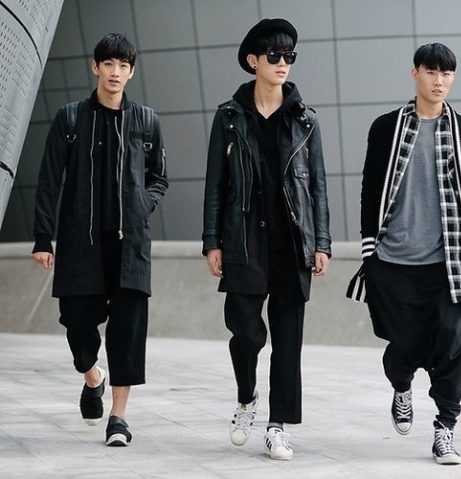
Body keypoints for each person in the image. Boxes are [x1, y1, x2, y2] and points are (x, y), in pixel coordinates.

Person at [202, 18, 331, 461]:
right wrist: (212, 241)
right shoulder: (229, 117)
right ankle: (246, 397)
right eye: (273, 55)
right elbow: (215, 184)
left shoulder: (306, 119)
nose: (282, 63)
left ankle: (278, 425)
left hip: (292, 243)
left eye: (289, 55)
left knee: (288, 340)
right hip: (243, 241)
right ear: (253, 60)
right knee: (244, 330)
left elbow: (317, 187)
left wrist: (322, 243)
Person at [31, 33, 168, 447]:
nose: (115, 72)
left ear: (131, 72)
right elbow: (49, 179)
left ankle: (119, 418)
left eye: (123, 66)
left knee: (127, 332)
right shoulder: (71, 119)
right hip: (81, 243)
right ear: (95, 67)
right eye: (108, 64)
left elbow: (159, 177)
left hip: (130, 245)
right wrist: (43, 238)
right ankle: (92, 376)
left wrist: (143, 204)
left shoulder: (146, 121)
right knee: (76, 322)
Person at [359, 43, 461, 465]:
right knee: (403, 347)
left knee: (453, 343)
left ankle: (445, 429)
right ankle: (401, 386)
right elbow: (370, 189)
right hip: (394, 261)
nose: (439, 81)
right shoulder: (386, 128)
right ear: (415, 73)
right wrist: (369, 253)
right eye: (431, 72)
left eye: (446, 73)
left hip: (450, 262)